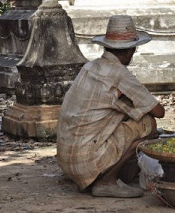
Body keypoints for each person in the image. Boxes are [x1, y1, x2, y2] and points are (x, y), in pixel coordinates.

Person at [56, 15, 165, 198]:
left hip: (68, 161)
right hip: (84, 162)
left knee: (127, 117)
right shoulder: (120, 75)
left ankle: (105, 172)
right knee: (147, 123)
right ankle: (106, 182)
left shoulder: (89, 67)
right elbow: (158, 111)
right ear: (130, 50)